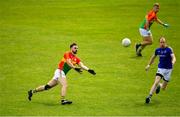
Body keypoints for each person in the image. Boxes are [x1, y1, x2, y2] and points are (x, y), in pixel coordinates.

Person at [28, 43, 96, 105]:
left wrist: (89, 70)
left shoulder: (76, 59)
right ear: (71, 48)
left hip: (61, 73)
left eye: (77, 48)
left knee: (47, 87)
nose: (76, 49)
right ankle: (63, 100)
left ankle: (32, 91)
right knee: (65, 85)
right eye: (75, 48)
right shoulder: (67, 54)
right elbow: (69, 62)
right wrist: (75, 68)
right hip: (60, 71)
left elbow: (82, 65)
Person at [145, 37, 176, 104]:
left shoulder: (169, 49)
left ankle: (160, 85)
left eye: (163, 42)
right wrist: (148, 65)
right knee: (156, 82)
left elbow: (174, 57)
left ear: (165, 42)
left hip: (168, 70)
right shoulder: (157, 50)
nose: (162, 44)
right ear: (159, 43)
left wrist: (173, 62)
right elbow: (153, 57)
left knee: (163, 88)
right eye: (161, 42)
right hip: (161, 68)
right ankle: (149, 96)